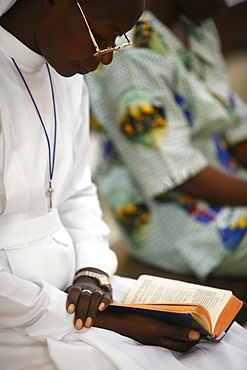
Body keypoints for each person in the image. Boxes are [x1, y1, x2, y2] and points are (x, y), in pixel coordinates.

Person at [0, 1, 247, 369]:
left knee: (225, 347)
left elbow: (77, 192)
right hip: (18, 313)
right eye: (102, 36)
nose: (107, 57)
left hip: (77, 290)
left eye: (117, 40)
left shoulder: (63, 76)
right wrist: (103, 319)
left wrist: (93, 273)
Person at [85, 0, 247, 282]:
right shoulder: (128, 47)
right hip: (180, 223)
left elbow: (233, 126)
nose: (230, 3)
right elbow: (180, 175)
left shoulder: (197, 25)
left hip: (228, 186)